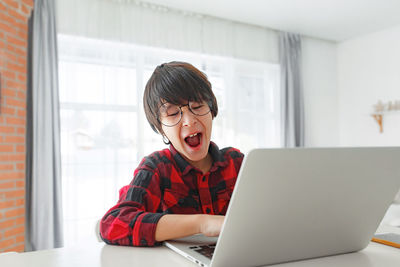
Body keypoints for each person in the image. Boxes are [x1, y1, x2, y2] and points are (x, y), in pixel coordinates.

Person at [100, 61, 244, 247]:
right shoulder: (156, 168)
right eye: (173, 113)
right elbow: (113, 224)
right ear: (160, 128)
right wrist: (202, 223)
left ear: (212, 109)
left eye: (198, 106)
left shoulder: (237, 163)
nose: (189, 121)